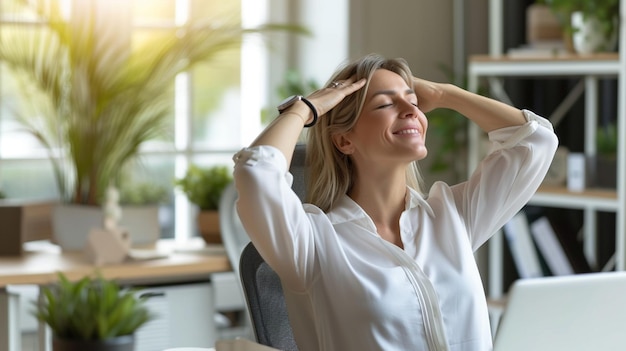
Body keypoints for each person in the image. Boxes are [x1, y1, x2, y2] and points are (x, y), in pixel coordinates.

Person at [233, 53, 558, 351]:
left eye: (414, 101)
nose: (411, 111)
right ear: (345, 140)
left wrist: (445, 95)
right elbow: (256, 172)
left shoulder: (452, 216)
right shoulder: (313, 243)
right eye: (385, 104)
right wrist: (305, 109)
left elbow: (534, 141)